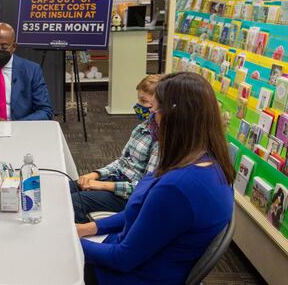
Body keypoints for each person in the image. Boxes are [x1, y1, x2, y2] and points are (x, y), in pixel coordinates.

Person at [77, 72, 235, 285]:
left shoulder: (176, 188)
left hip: (133, 275)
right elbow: (145, 213)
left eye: (154, 109)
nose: (150, 117)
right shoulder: (207, 162)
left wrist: (66, 240)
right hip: (142, 257)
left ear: (174, 116)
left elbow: (122, 259)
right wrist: (90, 228)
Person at [69, 75, 160, 223]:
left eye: (144, 101)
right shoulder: (141, 127)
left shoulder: (161, 140)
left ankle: (81, 239)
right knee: (66, 188)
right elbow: (122, 161)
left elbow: (144, 188)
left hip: (129, 196)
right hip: (116, 181)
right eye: (138, 99)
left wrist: (102, 185)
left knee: (75, 202)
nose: (138, 105)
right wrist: (95, 174)